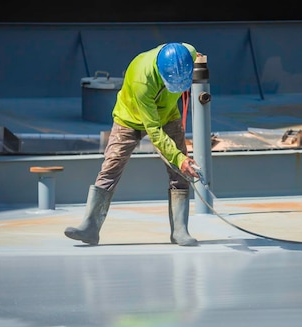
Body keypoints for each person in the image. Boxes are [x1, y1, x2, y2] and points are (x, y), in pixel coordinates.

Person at [64, 42, 201, 246]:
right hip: (129, 118)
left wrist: (196, 60)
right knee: (111, 166)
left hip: (167, 115)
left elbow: (190, 51)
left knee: (179, 174)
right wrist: (180, 158)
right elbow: (154, 130)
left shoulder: (186, 54)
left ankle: (180, 231)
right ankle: (90, 227)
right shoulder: (142, 80)